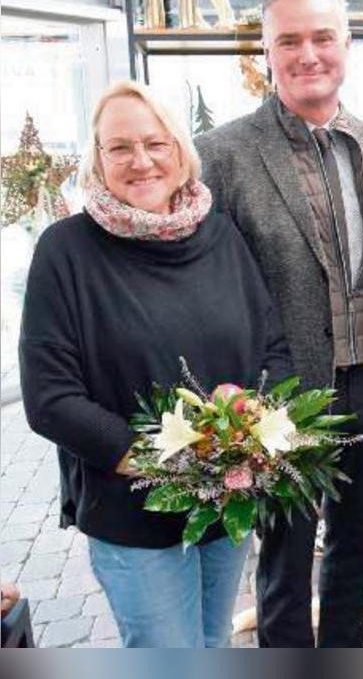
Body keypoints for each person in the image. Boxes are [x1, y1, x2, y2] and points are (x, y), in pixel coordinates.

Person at [195, 0, 363, 648]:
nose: (308, 54)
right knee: (285, 561)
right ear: (266, 53)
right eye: (289, 40)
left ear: (346, 46)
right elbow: (206, 284)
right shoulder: (223, 154)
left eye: (323, 37)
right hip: (280, 395)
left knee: (357, 547)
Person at [19, 81, 292, 647]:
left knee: (211, 645)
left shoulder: (219, 234)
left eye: (156, 143)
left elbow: (272, 345)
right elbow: (49, 398)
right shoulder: (66, 251)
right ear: (97, 159)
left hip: (225, 498)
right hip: (133, 510)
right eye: (119, 148)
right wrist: (161, 462)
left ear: (180, 150)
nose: (140, 161)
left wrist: (249, 431)